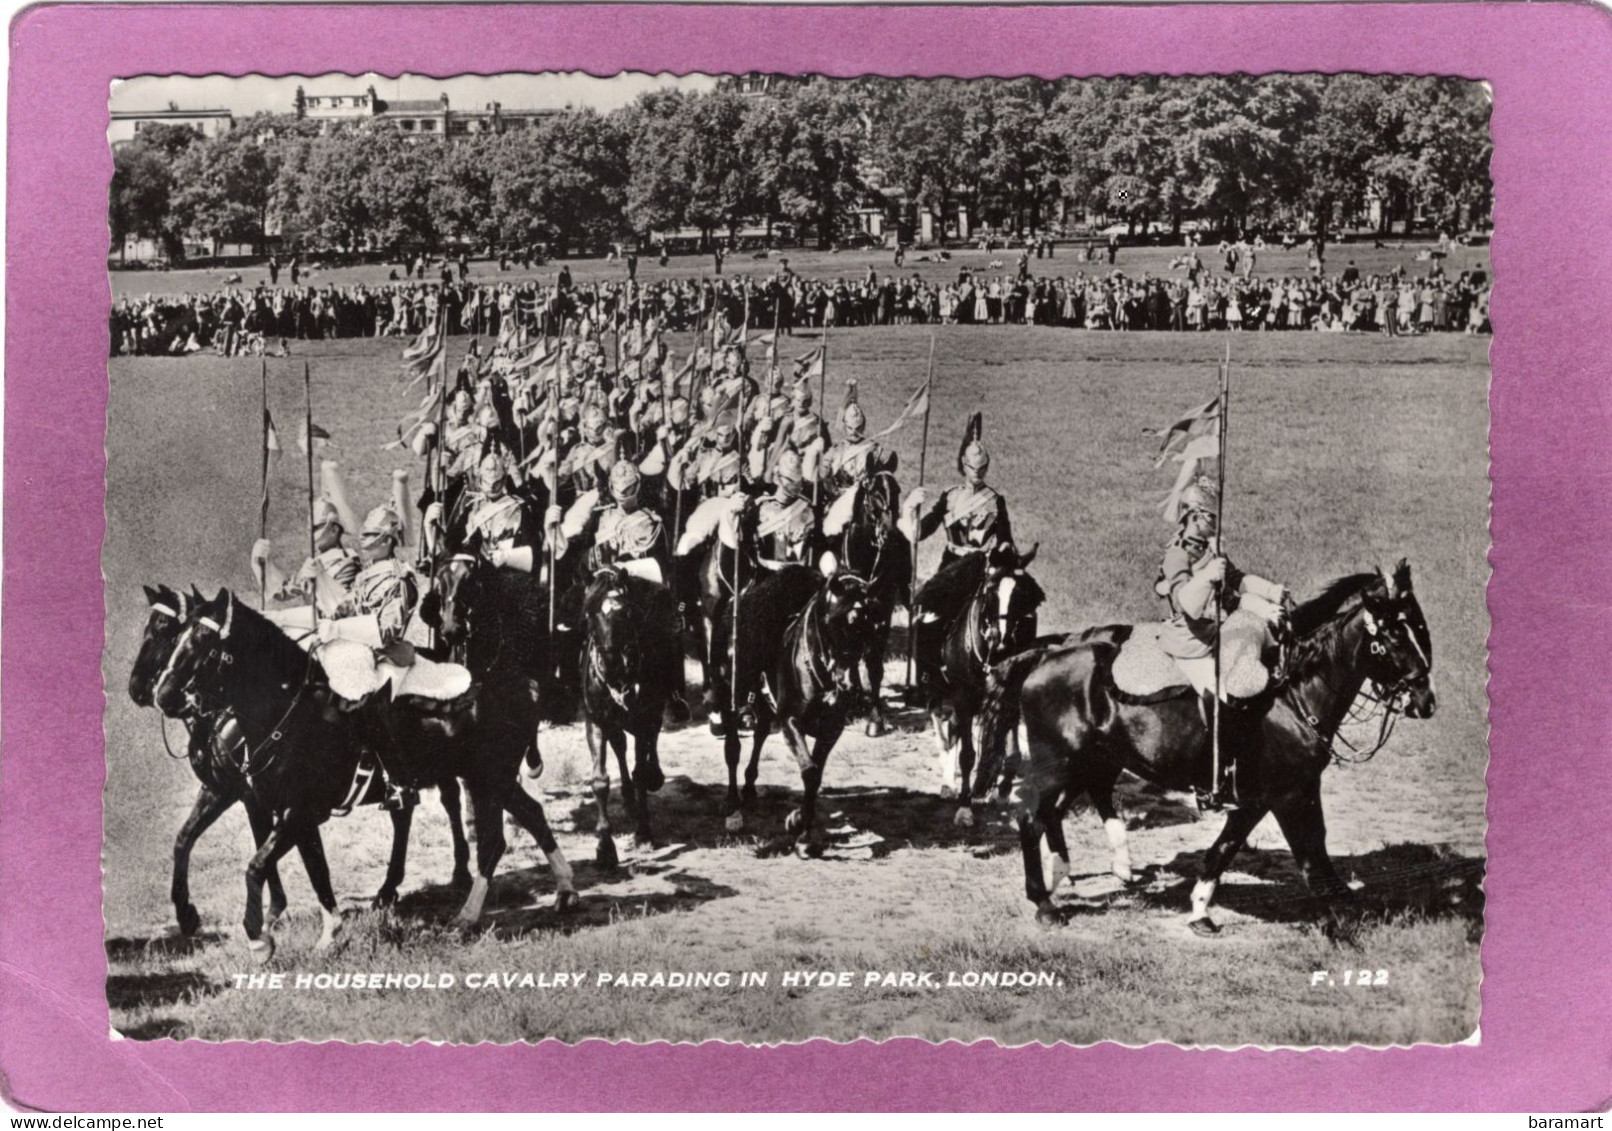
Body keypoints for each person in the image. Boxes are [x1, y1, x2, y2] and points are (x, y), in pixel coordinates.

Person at [1154, 481, 1289, 804]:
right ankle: (1214, 777)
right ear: (1195, 516)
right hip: (1190, 643)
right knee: (1223, 697)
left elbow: (1236, 585)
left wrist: (1270, 594)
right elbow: (1189, 603)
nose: (1217, 525)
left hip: (1216, 633)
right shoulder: (1176, 555)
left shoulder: (1211, 550)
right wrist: (1207, 576)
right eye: (1212, 518)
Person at [901, 414, 1014, 700]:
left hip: (981, 567)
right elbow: (921, 532)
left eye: (982, 467)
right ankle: (932, 680)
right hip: (952, 568)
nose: (978, 472)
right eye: (973, 467)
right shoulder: (949, 497)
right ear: (964, 466)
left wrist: (1004, 550)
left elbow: (1006, 538)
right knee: (925, 626)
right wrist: (911, 509)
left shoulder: (995, 499)